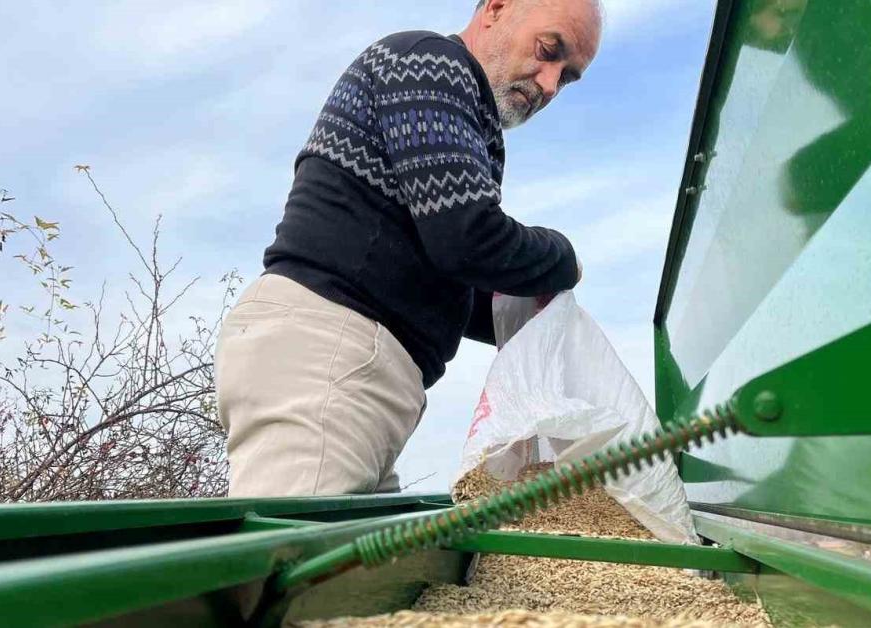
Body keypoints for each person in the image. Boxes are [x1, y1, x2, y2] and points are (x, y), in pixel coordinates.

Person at [215, 0, 602, 497]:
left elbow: (438, 267)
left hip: (350, 366)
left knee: (367, 568)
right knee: (292, 564)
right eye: (549, 50)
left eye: (567, 77)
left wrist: (524, 314)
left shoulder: (457, 104)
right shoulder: (430, 64)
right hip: (330, 355)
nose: (549, 83)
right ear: (497, 8)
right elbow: (467, 238)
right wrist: (562, 260)